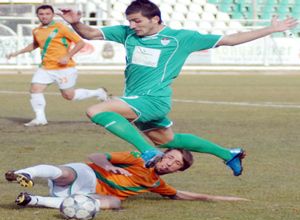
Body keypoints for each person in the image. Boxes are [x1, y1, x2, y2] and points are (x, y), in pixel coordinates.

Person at [57, 0, 298, 174]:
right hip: (137, 99)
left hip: (153, 100)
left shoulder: (181, 38)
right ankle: (228, 154)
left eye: (137, 20)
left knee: (95, 111)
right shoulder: (127, 33)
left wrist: (271, 29)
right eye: (129, 20)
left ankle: (147, 152)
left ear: (155, 19)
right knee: (167, 140)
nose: (132, 25)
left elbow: (230, 40)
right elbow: (89, 33)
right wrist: (77, 22)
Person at [5, 148, 249, 210]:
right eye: (170, 157)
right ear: (163, 155)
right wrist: (110, 165)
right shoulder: (137, 158)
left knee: (115, 203)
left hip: (87, 194)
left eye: (176, 164)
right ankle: (26, 173)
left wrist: (218, 197)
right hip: (88, 174)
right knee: (66, 172)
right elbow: (95, 155)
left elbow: (181, 194)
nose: (169, 163)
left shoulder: (157, 184)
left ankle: (32, 199)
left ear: (178, 171)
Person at [6, 4, 108, 127]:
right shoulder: (37, 30)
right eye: (41, 14)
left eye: (47, 14)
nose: (44, 16)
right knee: (35, 89)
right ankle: (40, 118)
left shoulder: (61, 27)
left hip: (64, 68)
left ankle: (98, 92)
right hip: (45, 67)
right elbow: (35, 44)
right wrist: (17, 52)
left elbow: (80, 43)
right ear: (37, 15)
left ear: (53, 15)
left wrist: (68, 56)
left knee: (69, 96)